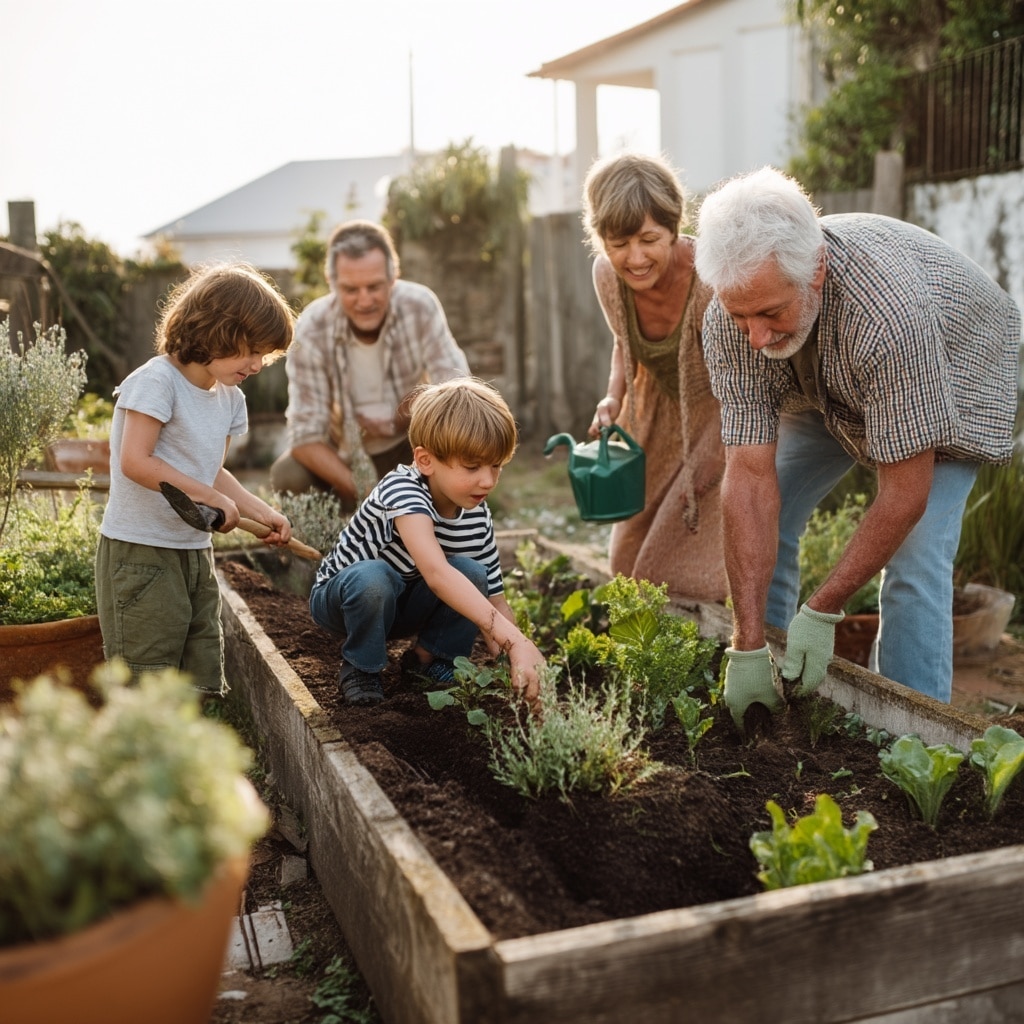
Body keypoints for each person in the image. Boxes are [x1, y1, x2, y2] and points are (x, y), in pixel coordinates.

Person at [694, 165, 1021, 728]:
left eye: (770, 311)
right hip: (827, 380)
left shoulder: (887, 315)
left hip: (956, 359)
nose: (755, 337)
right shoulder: (736, 319)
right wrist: (743, 643)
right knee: (772, 509)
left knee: (917, 557)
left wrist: (822, 610)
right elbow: (748, 480)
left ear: (815, 270)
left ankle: (914, 737)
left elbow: (904, 492)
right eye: (738, 314)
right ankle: (767, 671)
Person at [96, 262, 297, 694]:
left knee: (198, 665)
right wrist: (207, 494)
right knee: (147, 676)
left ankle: (189, 760)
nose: (259, 364)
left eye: (266, 355)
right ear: (218, 330)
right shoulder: (157, 382)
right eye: (252, 351)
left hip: (193, 553)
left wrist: (262, 512)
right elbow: (136, 460)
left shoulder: (229, 399)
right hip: (141, 553)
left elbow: (212, 473)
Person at [308, 376, 546, 708]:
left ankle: (430, 661)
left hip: (404, 604)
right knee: (374, 578)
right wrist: (516, 641)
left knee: (474, 575)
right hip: (345, 601)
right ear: (425, 460)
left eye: (496, 466)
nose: (488, 480)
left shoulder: (477, 513)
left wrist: (516, 664)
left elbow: (495, 601)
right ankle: (361, 666)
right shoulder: (402, 490)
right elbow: (436, 574)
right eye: (473, 466)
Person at [582, 152, 728, 603]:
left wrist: (713, 465)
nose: (636, 257)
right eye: (619, 242)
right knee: (625, 560)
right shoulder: (607, 276)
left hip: (721, 417)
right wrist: (612, 399)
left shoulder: (709, 281)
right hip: (655, 416)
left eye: (649, 239)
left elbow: (743, 385)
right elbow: (625, 343)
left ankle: (718, 652)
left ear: (675, 226)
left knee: (682, 565)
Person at [270, 219, 470, 508]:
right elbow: (305, 437)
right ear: (333, 284)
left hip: (412, 445)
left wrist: (405, 414)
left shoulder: (420, 305)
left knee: (460, 446)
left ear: (393, 277)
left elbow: (458, 393)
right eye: (351, 289)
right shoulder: (312, 328)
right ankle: (327, 547)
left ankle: (446, 531)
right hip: (345, 455)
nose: (364, 300)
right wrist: (372, 495)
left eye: (374, 286)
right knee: (288, 475)